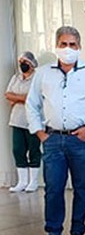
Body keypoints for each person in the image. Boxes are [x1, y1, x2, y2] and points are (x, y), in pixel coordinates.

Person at [26, 26, 85, 235]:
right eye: (63, 44)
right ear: (56, 46)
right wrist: (40, 133)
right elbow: (32, 104)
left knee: (82, 187)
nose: (68, 49)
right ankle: (53, 232)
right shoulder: (43, 73)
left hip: (80, 139)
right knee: (53, 188)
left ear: (79, 47)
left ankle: (78, 232)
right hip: (52, 138)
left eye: (72, 45)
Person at [5, 51, 41, 192]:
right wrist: (22, 98)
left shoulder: (37, 78)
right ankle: (22, 182)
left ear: (31, 64)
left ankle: (33, 182)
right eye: (20, 62)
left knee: (34, 150)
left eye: (25, 62)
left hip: (32, 121)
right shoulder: (16, 77)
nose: (22, 65)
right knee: (18, 150)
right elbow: (8, 94)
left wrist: (17, 98)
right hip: (17, 120)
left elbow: (34, 98)